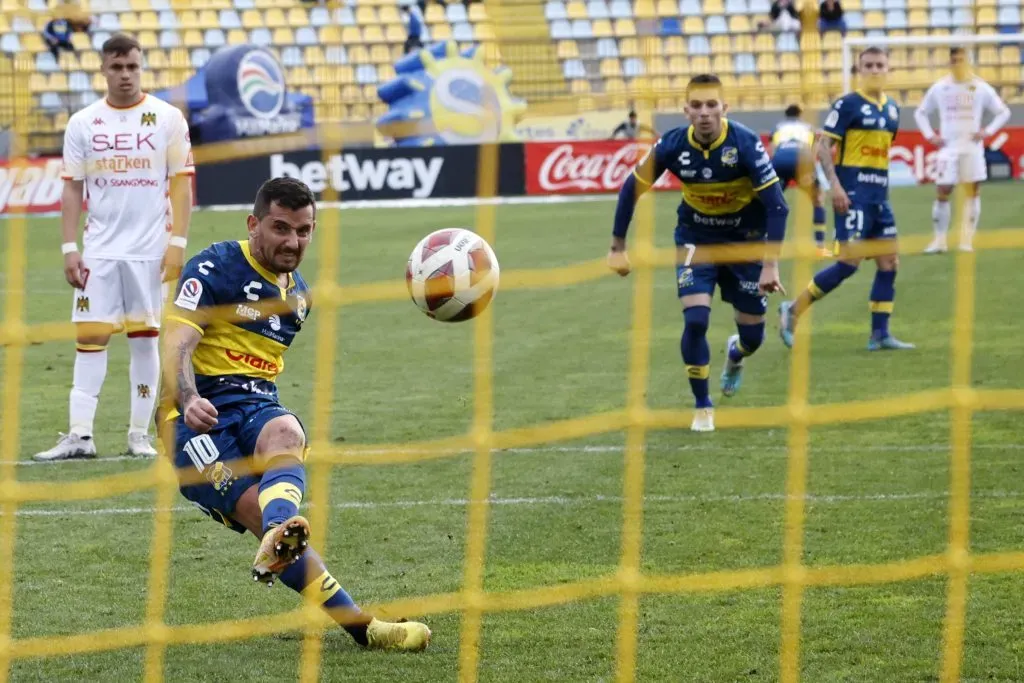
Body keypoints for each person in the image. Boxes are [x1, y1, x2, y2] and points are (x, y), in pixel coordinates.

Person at [161, 177, 431, 651]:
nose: (293, 241)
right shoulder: (215, 265)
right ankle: (358, 624)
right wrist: (187, 397)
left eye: (304, 231)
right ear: (254, 224)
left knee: (286, 431)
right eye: (281, 228)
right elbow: (177, 340)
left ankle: (281, 534)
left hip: (255, 403)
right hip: (192, 420)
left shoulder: (298, 297)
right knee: (252, 509)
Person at [34, 33, 194, 461]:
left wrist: (177, 242)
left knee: (145, 341)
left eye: (132, 67)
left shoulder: (167, 119)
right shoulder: (84, 123)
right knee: (89, 339)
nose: (125, 75)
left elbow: (182, 185)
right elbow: (72, 190)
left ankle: (138, 436)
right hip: (99, 251)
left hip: (150, 251)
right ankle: (79, 436)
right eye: (117, 67)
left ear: (141, 68)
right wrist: (70, 247)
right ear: (103, 70)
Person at [607, 74, 788, 433]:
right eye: (697, 106)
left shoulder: (746, 144)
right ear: (685, 109)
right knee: (695, 320)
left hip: (745, 243)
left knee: (753, 338)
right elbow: (631, 188)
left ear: (724, 108)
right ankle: (703, 405)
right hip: (696, 239)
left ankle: (736, 354)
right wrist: (617, 247)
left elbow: (778, 208)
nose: (704, 113)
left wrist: (770, 265)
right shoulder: (672, 145)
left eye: (712, 105)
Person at [779, 47, 914, 351]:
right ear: (859, 69)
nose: (875, 70)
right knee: (849, 263)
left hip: (880, 196)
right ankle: (792, 310)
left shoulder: (892, 108)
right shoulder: (848, 104)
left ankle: (880, 334)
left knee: (889, 261)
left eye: (881, 64)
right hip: (852, 195)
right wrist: (835, 186)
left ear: (888, 69)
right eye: (869, 65)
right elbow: (824, 146)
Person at [915, 47, 1010, 254]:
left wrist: (987, 132)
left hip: (972, 149)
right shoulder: (940, 88)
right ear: (950, 62)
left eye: (962, 60)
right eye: (954, 60)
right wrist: (930, 135)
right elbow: (920, 113)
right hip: (947, 149)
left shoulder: (980, 87)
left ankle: (966, 241)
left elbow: (1003, 112)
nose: (958, 64)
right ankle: (939, 241)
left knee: (972, 193)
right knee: (943, 191)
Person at [769, 103, 831, 254]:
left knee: (771, 203)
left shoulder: (778, 127)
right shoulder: (808, 127)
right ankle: (820, 246)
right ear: (800, 115)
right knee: (818, 199)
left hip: (780, 162)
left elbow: (771, 150)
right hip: (802, 162)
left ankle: (767, 245)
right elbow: (814, 149)